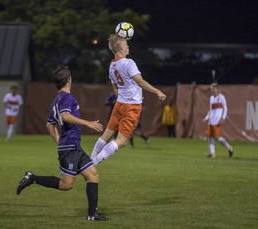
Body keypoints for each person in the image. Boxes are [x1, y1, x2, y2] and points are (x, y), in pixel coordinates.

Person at [16, 65, 109, 221]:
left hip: (73, 147)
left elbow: (49, 125)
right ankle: (31, 177)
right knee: (66, 185)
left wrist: (59, 141)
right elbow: (65, 116)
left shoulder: (56, 101)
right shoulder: (67, 98)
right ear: (68, 80)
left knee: (92, 175)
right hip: (70, 149)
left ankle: (92, 214)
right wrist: (87, 123)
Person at [91, 34, 166, 166]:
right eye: (126, 45)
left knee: (106, 135)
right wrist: (157, 91)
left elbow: (115, 89)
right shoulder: (128, 62)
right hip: (131, 107)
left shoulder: (112, 65)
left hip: (119, 104)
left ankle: (90, 159)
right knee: (122, 141)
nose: (128, 47)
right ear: (121, 47)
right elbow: (140, 82)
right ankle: (92, 164)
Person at [202, 83, 233, 158]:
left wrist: (223, 117)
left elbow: (225, 108)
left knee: (216, 137)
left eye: (213, 88)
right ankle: (213, 154)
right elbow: (211, 110)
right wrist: (206, 118)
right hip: (211, 121)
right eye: (211, 89)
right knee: (210, 136)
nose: (212, 90)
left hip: (217, 120)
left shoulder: (221, 97)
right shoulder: (211, 98)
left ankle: (229, 147)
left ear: (217, 89)